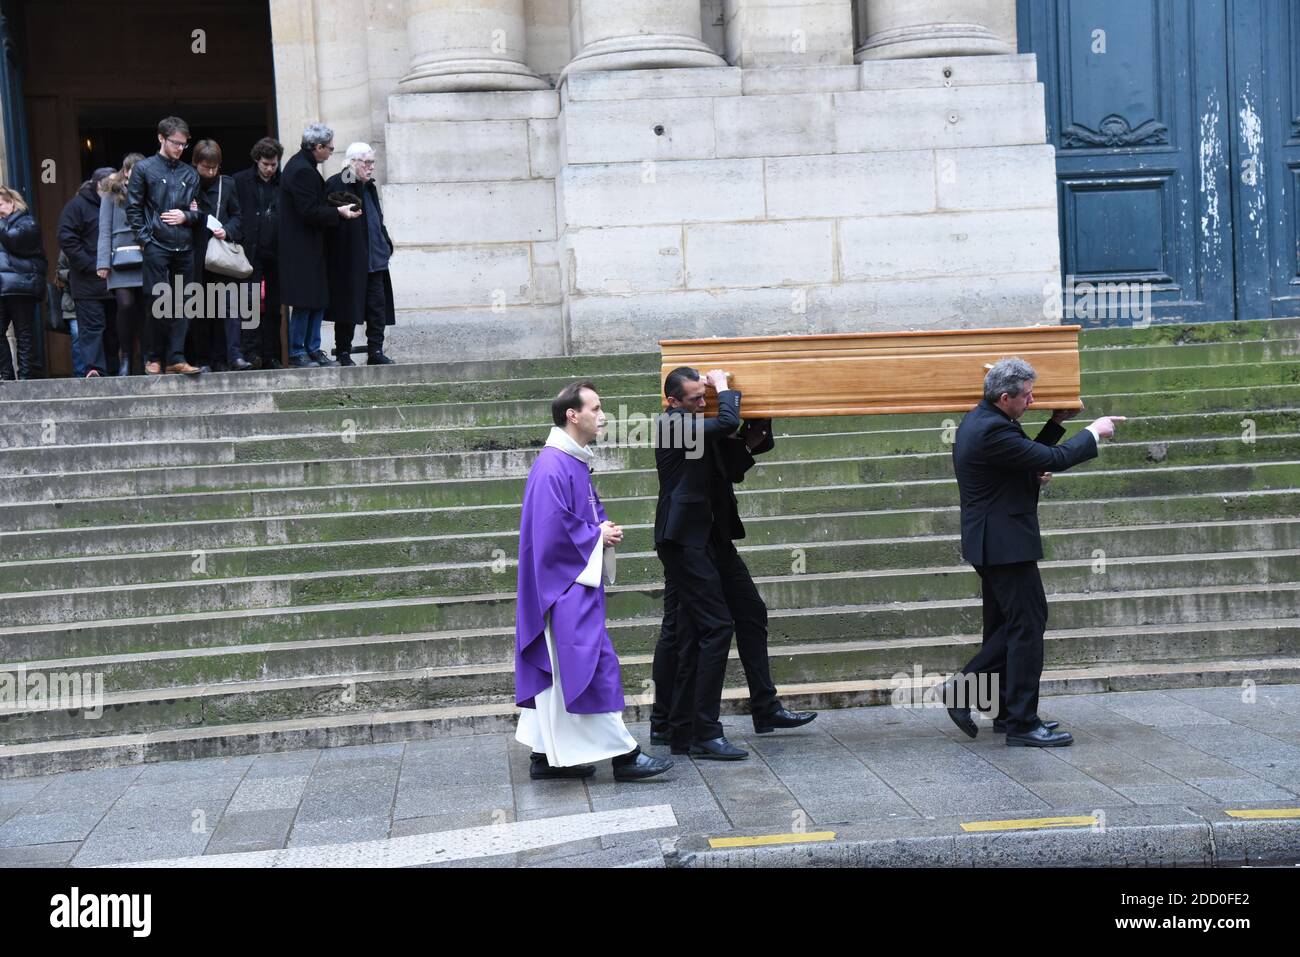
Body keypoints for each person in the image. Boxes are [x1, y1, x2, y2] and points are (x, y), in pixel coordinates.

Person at [940, 357, 1125, 747]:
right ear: (1005, 397)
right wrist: (1092, 432)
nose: (1032, 400)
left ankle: (1006, 712)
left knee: (1007, 625)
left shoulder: (987, 420)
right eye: (1026, 396)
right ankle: (1015, 718)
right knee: (1027, 624)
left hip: (995, 540)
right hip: (1004, 543)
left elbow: (1025, 456)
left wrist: (1057, 422)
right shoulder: (992, 429)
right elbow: (1053, 459)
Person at [653, 367, 816, 760]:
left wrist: (757, 425)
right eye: (695, 398)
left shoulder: (695, 425)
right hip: (685, 541)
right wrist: (724, 386)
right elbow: (727, 419)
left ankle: (762, 708)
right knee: (700, 629)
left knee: (748, 612)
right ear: (672, 401)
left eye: (702, 397)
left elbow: (732, 466)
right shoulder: (671, 425)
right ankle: (691, 729)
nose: (701, 402)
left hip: (712, 537)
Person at [515, 381, 674, 783]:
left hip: (568, 584)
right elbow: (550, 533)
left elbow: (575, 519)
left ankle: (544, 756)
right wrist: (595, 536)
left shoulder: (571, 460)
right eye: (597, 408)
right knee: (589, 666)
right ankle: (625, 755)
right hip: (561, 589)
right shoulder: (554, 465)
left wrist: (598, 528)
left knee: (561, 670)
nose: (603, 416)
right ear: (573, 414)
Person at [125, 115, 203, 375]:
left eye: (184, 144)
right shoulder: (145, 169)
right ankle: (153, 357)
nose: (180, 148)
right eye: (175, 143)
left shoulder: (190, 173)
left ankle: (176, 357)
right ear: (161, 138)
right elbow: (133, 208)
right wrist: (146, 241)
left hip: (184, 245)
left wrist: (187, 216)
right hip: (156, 243)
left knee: (184, 301)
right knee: (157, 300)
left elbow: (199, 211)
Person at [279, 122, 361, 368]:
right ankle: (298, 351)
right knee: (305, 300)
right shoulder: (302, 170)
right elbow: (308, 211)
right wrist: (339, 213)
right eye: (329, 148)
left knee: (316, 299)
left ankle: (312, 349)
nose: (330, 152)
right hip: (302, 247)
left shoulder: (306, 166)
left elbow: (318, 201)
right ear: (317, 146)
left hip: (311, 245)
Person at [324, 143, 396, 366]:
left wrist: (385, 242)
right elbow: (330, 220)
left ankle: (375, 351)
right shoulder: (338, 182)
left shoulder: (369, 186)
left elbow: (376, 219)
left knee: (377, 308)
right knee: (347, 308)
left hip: (375, 259)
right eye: (367, 162)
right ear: (353, 162)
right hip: (350, 260)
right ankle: (343, 352)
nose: (371, 167)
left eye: (372, 162)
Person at [189, 139, 250, 372]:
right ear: (196, 164)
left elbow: (238, 216)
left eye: (215, 167)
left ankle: (234, 355)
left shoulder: (228, 185)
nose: (211, 172)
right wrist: (190, 215)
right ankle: (203, 358)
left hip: (221, 253)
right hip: (195, 254)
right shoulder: (186, 183)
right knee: (200, 309)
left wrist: (228, 230)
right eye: (206, 167)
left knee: (229, 307)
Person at [59, 166, 116, 377]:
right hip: (87, 283)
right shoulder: (77, 206)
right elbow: (67, 238)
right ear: (99, 184)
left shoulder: (118, 204)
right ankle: (95, 370)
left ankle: (114, 370)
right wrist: (91, 265)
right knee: (92, 330)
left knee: (113, 332)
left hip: (115, 281)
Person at [233, 137, 284, 369]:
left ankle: (271, 354)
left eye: (274, 164)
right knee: (249, 305)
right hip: (249, 251)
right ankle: (250, 354)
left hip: (277, 252)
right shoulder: (240, 181)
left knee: (274, 307)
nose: (270, 168)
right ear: (256, 160)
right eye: (266, 164)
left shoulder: (282, 182)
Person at [96, 153, 146, 375]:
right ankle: (125, 357)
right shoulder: (110, 193)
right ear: (125, 171)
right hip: (119, 259)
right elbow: (104, 229)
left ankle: (147, 358)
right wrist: (102, 262)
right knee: (125, 305)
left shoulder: (150, 190)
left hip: (145, 254)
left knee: (147, 309)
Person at [0, 186, 47, 380]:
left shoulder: (27, 222)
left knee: (24, 334)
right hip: (2, 286)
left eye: (0, 204)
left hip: (21, 286)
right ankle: (6, 375)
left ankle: (27, 378)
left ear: (12, 203)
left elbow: (15, 239)